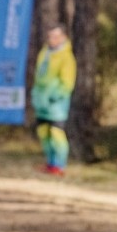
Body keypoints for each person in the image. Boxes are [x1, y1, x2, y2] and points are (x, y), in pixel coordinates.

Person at [30, 24, 77, 176]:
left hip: (56, 104)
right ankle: (50, 163)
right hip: (41, 102)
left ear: (64, 37)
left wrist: (56, 96)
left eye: (56, 36)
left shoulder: (66, 57)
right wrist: (36, 94)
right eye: (50, 36)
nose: (52, 40)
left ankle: (59, 165)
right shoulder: (45, 52)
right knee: (43, 133)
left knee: (57, 133)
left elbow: (67, 82)